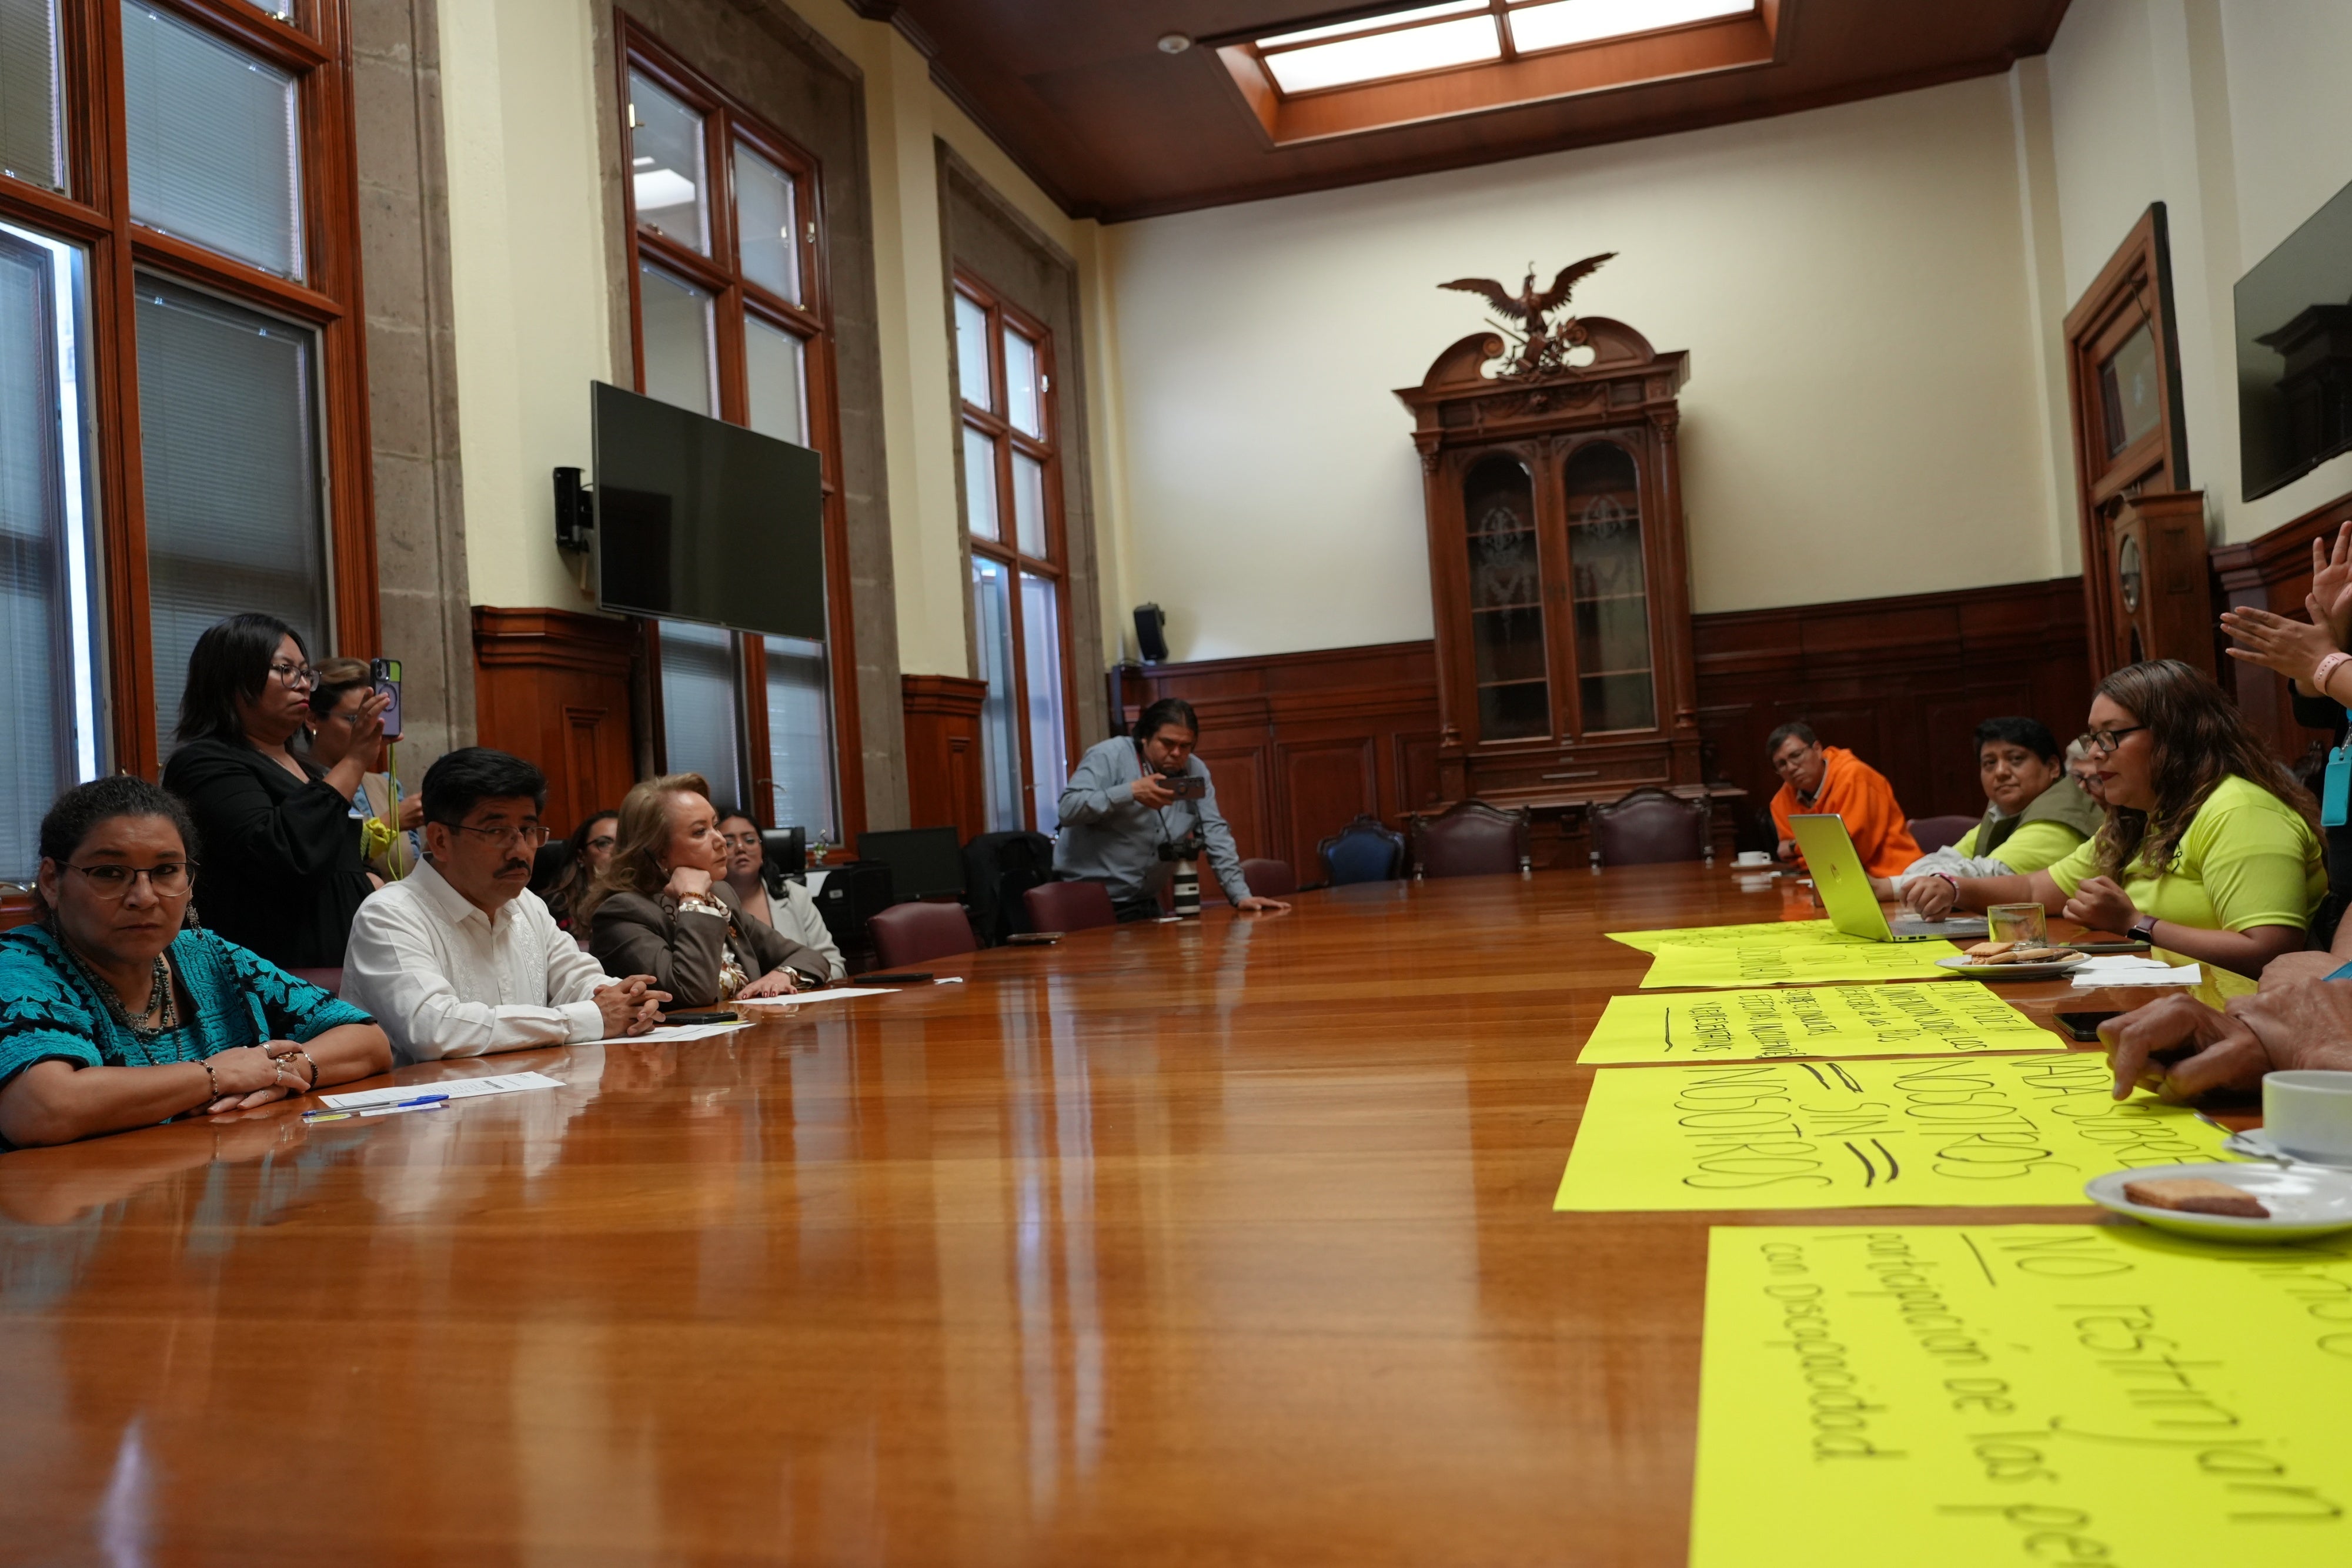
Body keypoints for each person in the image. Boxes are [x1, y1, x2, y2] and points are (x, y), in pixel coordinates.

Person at [0, 777, 391, 1149]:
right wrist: (216, 1076)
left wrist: (285, 1070)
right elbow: (42, 1108)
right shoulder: (19, 964)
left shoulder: (209, 955)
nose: (144, 896)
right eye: (109, 873)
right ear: (52, 881)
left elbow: (368, 1040)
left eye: (166, 871)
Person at [1903, 660, 2324, 980]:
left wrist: (2135, 924)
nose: (2096, 753)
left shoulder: (2240, 812)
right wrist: (1954, 887)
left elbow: (2270, 951)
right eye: (2093, 737)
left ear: (2175, 735)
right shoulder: (2141, 816)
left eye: (2112, 735)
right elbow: (2036, 887)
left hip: (2238, 1011)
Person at [341, 748, 669, 1064]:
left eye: (528, 830)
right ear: (441, 840)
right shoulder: (389, 914)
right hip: (430, 1111)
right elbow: (434, 1031)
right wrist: (585, 1018)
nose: (520, 850)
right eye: (497, 831)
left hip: (529, 1100)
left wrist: (630, 1000)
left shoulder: (526, 904)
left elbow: (579, 980)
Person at [159, 614, 386, 969]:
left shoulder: (309, 772)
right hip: (270, 978)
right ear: (232, 678)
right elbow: (285, 857)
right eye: (286, 670)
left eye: (306, 673)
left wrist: (369, 880)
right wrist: (356, 759)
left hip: (345, 969)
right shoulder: (204, 763)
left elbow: (334, 853)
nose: (304, 685)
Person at [582, 775, 835, 1007]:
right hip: (670, 1055)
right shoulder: (622, 914)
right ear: (657, 852)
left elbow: (810, 957)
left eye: (715, 826)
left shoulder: (721, 896)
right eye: (700, 832)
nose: (721, 841)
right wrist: (692, 900)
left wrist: (783, 975)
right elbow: (692, 992)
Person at [1055, 698, 1292, 920]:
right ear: (1145, 737)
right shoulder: (1109, 755)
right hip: (1087, 903)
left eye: (1185, 746)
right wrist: (1129, 792)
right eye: (1167, 744)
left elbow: (1214, 832)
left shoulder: (1194, 770)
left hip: (1144, 902)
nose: (1177, 753)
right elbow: (1068, 809)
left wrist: (1241, 895)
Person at [1880, 717, 2103, 897]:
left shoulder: (2059, 816)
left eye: (2015, 759)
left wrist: (1889, 887)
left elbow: (1988, 878)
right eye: (1990, 763)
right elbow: (1945, 860)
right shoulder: (2005, 812)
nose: (2001, 772)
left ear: (2053, 767)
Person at [306, 657, 425, 882]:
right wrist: (386, 824)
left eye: (377, 718)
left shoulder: (386, 785)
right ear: (312, 719)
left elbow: (412, 875)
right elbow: (315, 863)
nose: (370, 728)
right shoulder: (298, 784)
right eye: (356, 718)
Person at [1766, 721, 1920, 877]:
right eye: (1781, 764)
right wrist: (1814, 854)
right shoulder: (1781, 801)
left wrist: (1794, 847)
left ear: (1817, 749)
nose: (1791, 768)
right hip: (1828, 880)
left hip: (1896, 878)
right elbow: (1794, 862)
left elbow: (1850, 854)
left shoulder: (1855, 777)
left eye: (1796, 755)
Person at [715, 810, 847, 981]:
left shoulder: (795, 896)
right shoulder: (708, 903)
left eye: (749, 840)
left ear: (762, 851)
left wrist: (792, 979)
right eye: (729, 842)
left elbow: (834, 966)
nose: (741, 848)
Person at [542, 811, 619, 931]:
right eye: (604, 843)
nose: (617, 851)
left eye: (623, 842)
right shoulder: (552, 909)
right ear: (581, 856)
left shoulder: (643, 902)